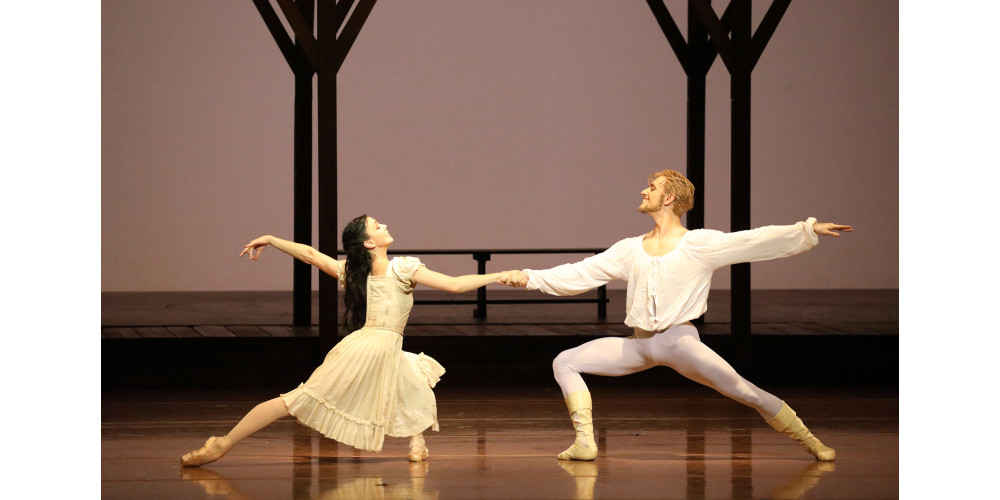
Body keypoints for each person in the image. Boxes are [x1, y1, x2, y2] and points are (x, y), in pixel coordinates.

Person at [499, 170, 851, 462]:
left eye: (652, 187)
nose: (644, 191)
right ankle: (584, 443)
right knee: (565, 361)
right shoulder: (629, 249)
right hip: (638, 345)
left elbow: (753, 240)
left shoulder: (698, 244)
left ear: (668, 198)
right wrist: (529, 277)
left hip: (679, 343)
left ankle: (810, 442)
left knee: (746, 392)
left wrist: (806, 230)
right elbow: (581, 272)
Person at [180, 214, 518, 467]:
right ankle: (224, 443)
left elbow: (311, 255)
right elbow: (455, 285)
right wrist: (500, 275)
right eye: (377, 226)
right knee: (297, 400)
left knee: (410, 377)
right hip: (371, 347)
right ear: (369, 243)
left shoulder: (355, 272)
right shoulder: (402, 268)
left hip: (374, 344)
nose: (385, 225)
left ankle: (417, 440)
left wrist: (270, 238)